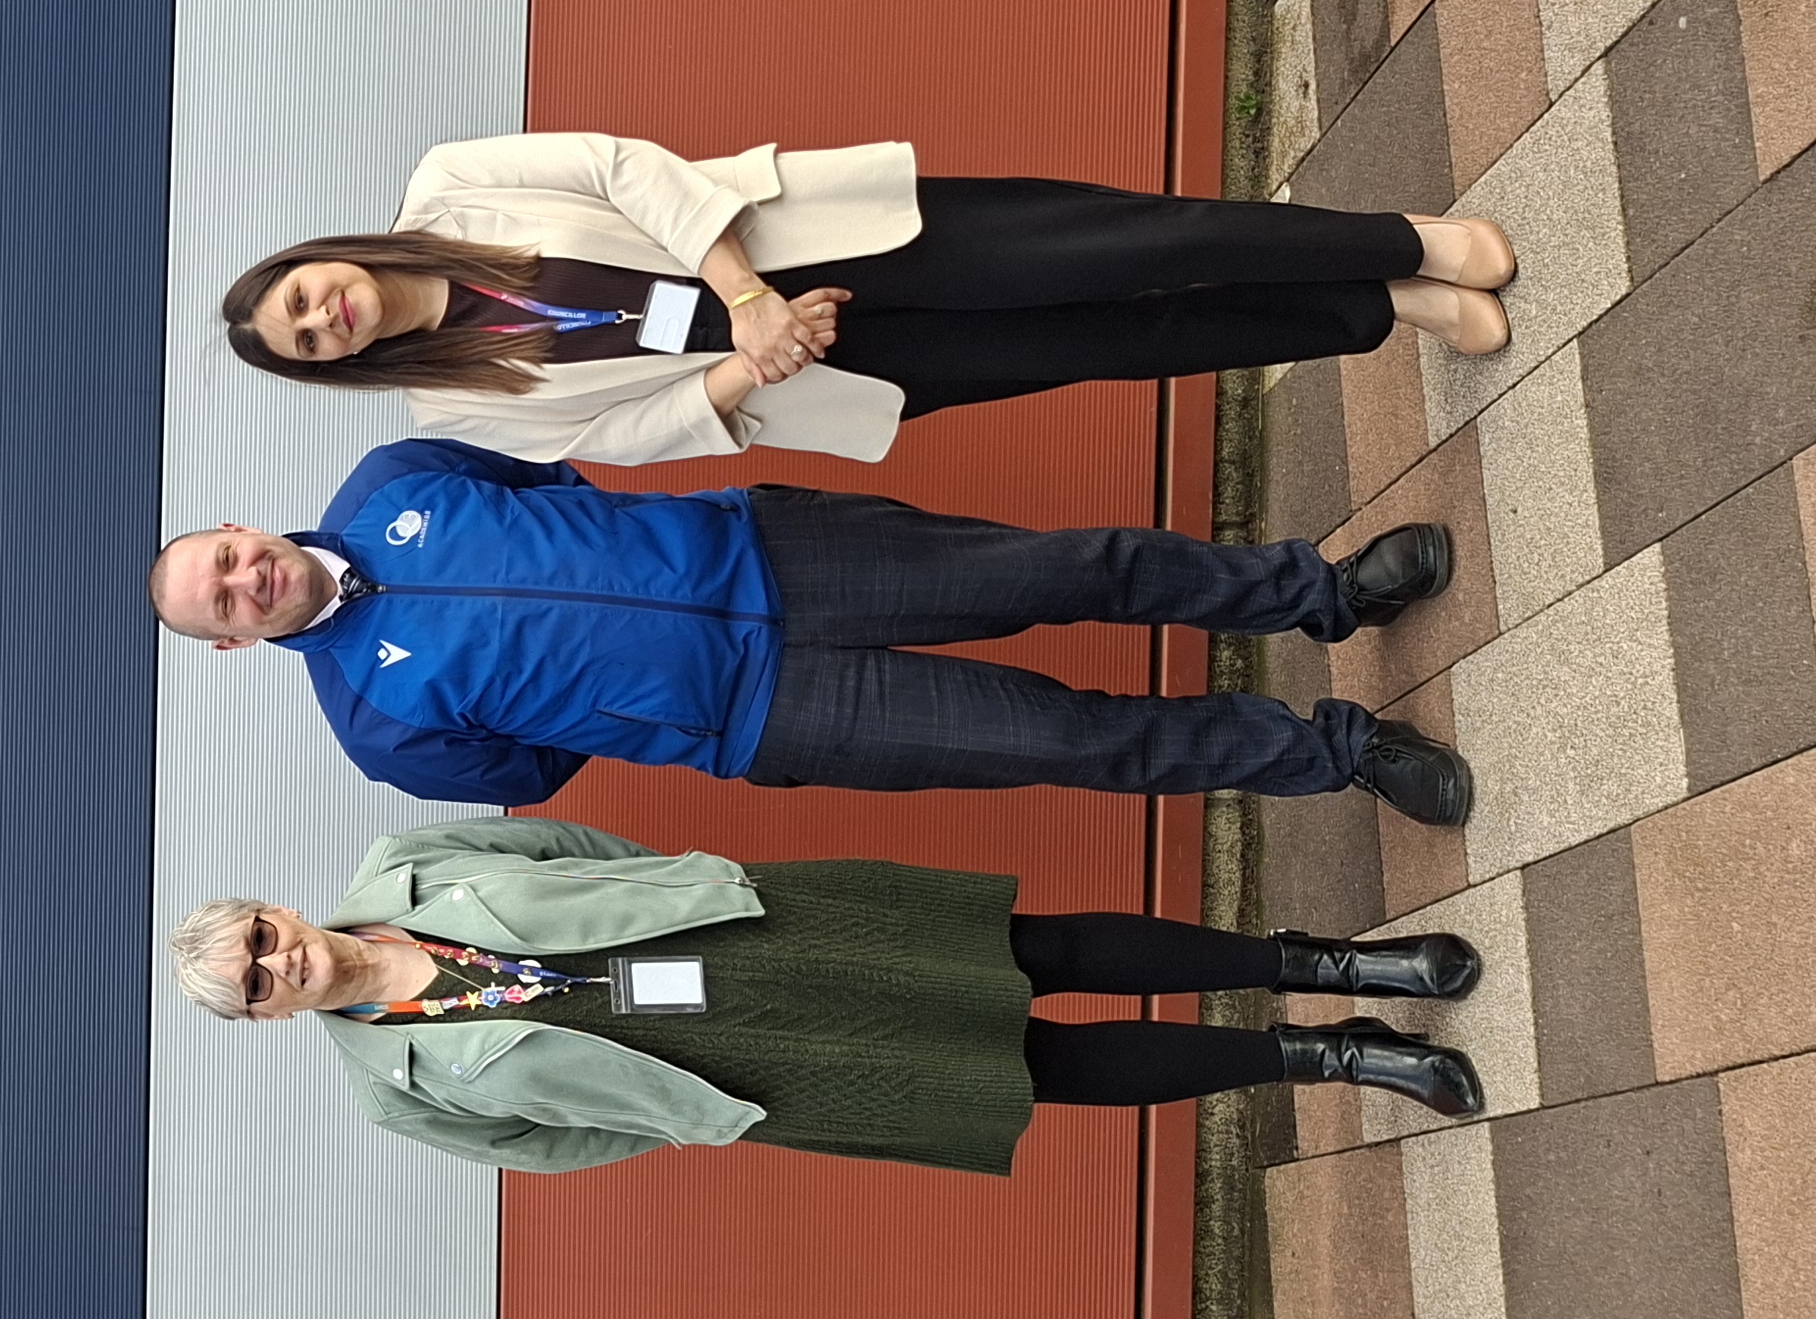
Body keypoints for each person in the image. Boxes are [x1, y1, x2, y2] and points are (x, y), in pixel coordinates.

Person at [145, 433, 1472, 816]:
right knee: (1073, 740)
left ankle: (1326, 594)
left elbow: (551, 488)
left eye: (225, 555)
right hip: (768, 711)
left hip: (779, 551)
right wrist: (653, 698)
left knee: (1076, 564)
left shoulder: (392, 481)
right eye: (222, 600)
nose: (243, 578)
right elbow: (533, 770)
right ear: (230, 641)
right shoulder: (378, 729)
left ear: (235, 524)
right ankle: (1338, 754)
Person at [169, 816, 1486, 1176]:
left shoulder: (407, 861)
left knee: (1040, 952)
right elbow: (550, 1149)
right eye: (256, 985)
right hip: (739, 1073)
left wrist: (689, 886)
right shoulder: (393, 1097)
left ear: (277, 910)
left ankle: (1324, 966)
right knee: (1036, 1071)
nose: (276, 963)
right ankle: (1331, 1059)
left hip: (743, 931)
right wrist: (677, 1114)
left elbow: (569, 855)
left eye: (260, 938)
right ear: (271, 1018)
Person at [220, 129, 1515, 468]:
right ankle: (1385, 309)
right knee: (1129, 339)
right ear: (319, 362)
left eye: (302, 292)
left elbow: (621, 167)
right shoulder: (449, 412)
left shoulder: (449, 188)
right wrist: (753, 365)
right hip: (818, 366)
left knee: (1130, 243)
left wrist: (742, 296)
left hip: (828, 243)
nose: (322, 312)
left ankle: (1404, 237)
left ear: (314, 259)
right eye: (303, 337)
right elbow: (609, 437)